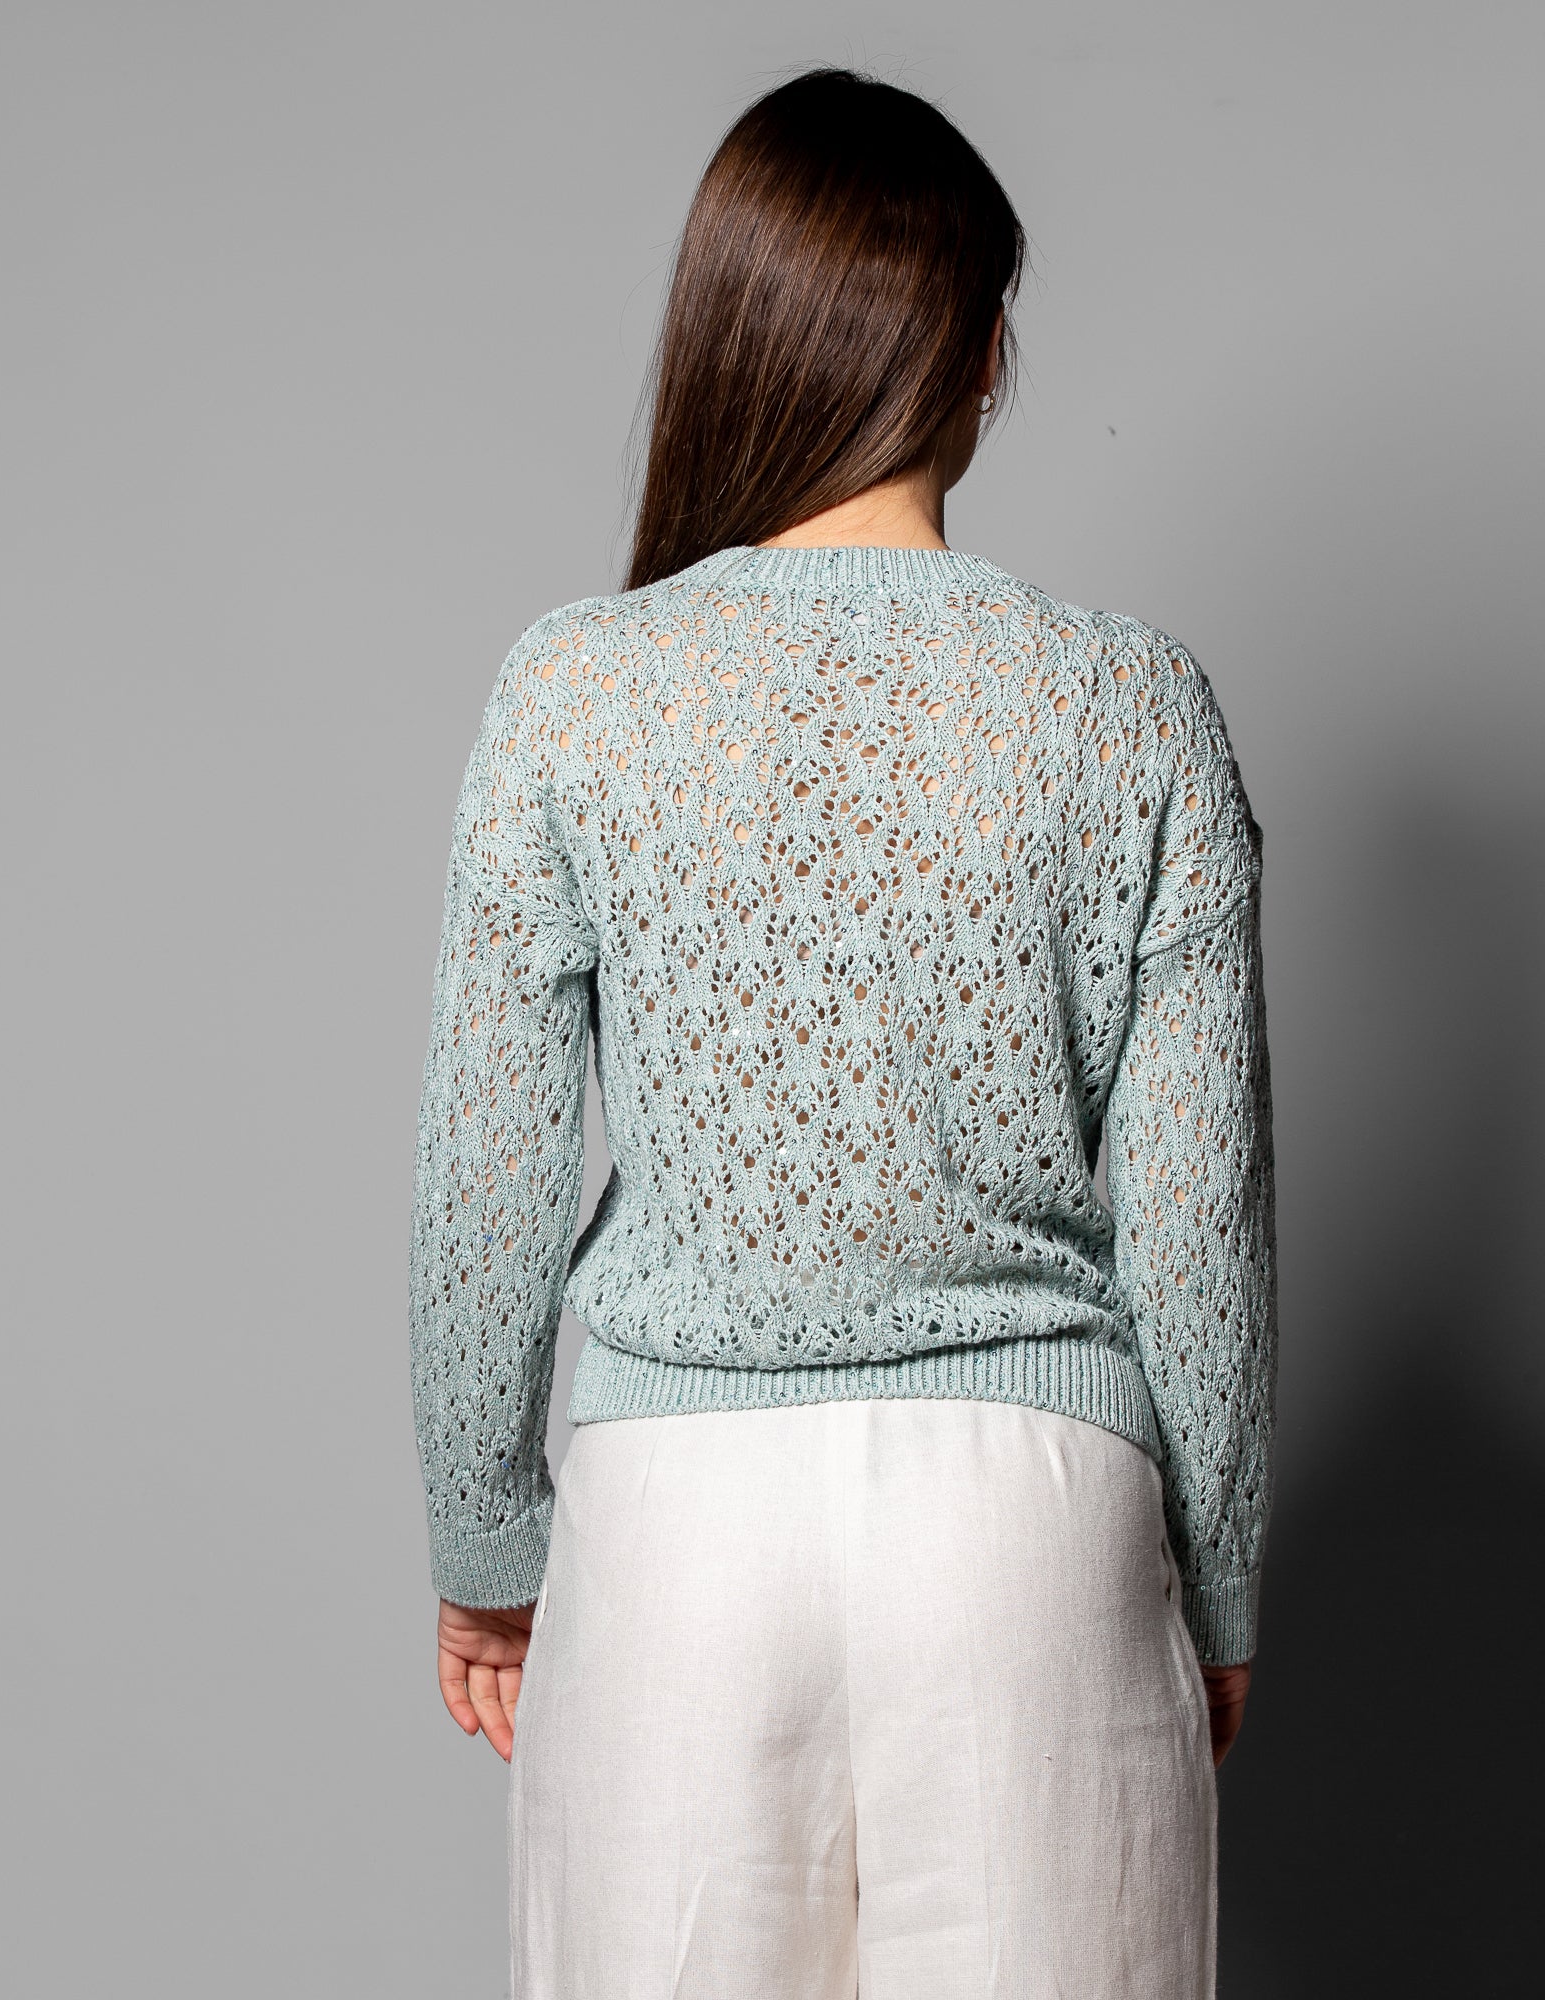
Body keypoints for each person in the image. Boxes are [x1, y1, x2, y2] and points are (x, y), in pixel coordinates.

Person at [408, 65, 1277, 2000]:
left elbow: (486, 1184)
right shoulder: (1132, 704)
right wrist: (1211, 1590)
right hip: (1035, 1538)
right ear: (980, 359)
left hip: (674, 1544)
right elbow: (1200, 1232)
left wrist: (485, 1552)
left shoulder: (574, 692)